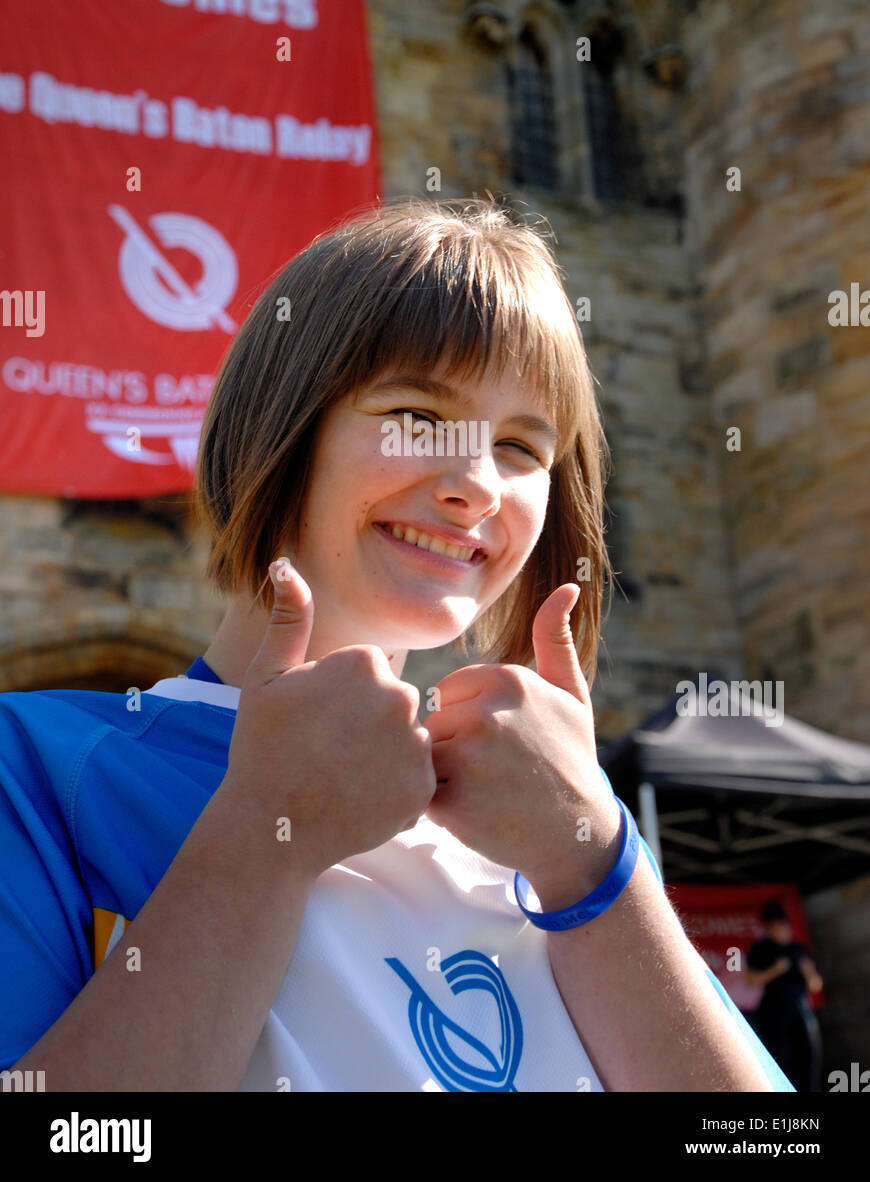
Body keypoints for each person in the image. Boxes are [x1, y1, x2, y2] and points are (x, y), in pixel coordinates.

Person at [0, 197, 794, 1092]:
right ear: (281, 428)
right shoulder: (36, 770)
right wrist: (265, 831)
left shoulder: (560, 829)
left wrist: (595, 863)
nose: (477, 485)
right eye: (418, 416)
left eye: (522, 447)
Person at [746, 899, 824, 1092]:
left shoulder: (799, 949)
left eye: (784, 924)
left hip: (799, 1009)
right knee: (779, 1060)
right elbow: (752, 980)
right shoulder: (761, 949)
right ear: (769, 927)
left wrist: (808, 972)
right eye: (777, 925)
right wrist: (775, 970)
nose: (782, 929)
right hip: (773, 1012)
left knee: (808, 1059)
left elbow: (815, 986)